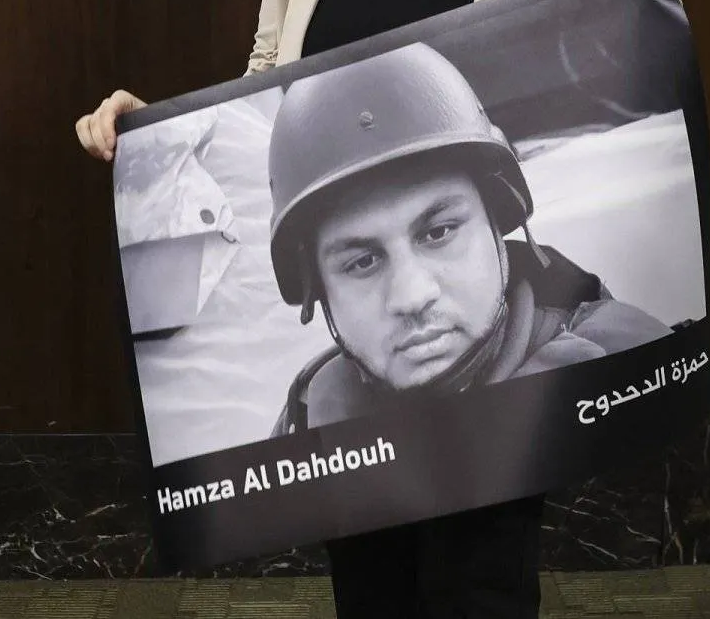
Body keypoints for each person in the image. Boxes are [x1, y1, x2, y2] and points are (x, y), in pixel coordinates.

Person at [74, 0, 684, 617]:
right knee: (369, 584)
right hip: (370, 378)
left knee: (479, 579)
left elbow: (594, 57)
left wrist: (645, 20)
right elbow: (269, 76)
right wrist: (162, 133)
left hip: (497, 362)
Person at [266, 42, 670, 435]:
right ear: (317, 287)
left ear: (497, 219)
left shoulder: (631, 370)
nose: (412, 296)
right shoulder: (306, 422)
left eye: (438, 232)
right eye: (362, 262)